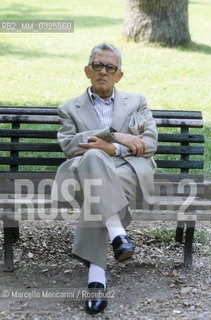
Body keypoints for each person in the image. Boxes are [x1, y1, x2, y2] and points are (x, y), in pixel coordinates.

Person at [52, 42, 158, 315]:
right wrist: (114, 133)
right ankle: (117, 233)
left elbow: (150, 142)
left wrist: (111, 146)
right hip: (81, 176)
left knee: (95, 191)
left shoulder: (136, 102)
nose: (103, 71)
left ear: (119, 75)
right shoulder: (69, 108)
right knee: (92, 160)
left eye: (110, 67)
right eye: (97, 66)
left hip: (127, 173)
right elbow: (70, 146)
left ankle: (96, 281)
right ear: (87, 71)